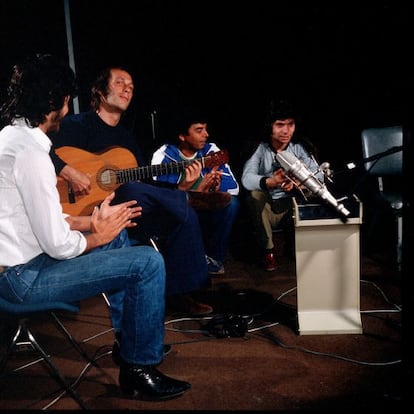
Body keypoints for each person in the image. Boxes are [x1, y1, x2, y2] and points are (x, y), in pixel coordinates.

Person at [0, 53, 190, 401]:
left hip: (18, 265)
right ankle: (139, 371)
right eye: (66, 98)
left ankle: (129, 345)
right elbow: (58, 245)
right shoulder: (30, 154)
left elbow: (34, 219)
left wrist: (95, 222)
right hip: (21, 278)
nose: (68, 106)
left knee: (118, 240)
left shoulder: (12, 138)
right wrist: (96, 234)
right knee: (147, 263)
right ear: (55, 100)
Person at [48, 66, 230, 316]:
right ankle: (187, 199)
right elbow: (42, 150)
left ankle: (180, 292)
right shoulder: (77, 125)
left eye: (131, 86)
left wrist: (180, 185)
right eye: (120, 82)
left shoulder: (128, 139)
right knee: (139, 190)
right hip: (88, 211)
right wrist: (69, 171)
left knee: (178, 212)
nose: (127, 89)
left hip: (128, 211)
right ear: (100, 91)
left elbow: (147, 186)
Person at [151, 107, 240, 275]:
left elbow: (234, 188)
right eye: (199, 130)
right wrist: (192, 189)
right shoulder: (164, 155)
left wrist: (215, 187)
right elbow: (161, 198)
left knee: (232, 203)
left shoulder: (211, 151)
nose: (206, 134)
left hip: (205, 210)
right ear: (183, 136)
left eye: (205, 129)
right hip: (179, 211)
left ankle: (214, 261)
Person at [241, 98, 323, 271]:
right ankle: (268, 251)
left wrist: (299, 183)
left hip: (292, 208)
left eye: (290, 124)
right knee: (254, 195)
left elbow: (320, 177)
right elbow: (247, 179)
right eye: (279, 125)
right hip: (270, 209)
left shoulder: (299, 148)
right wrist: (270, 182)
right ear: (269, 126)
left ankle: (300, 247)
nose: (286, 131)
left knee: (312, 194)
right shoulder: (261, 148)